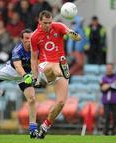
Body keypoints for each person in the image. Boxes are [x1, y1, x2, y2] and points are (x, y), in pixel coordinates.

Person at [30, 10, 81, 139]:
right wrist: (35, 76)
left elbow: (71, 33)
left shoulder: (57, 26)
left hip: (59, 67)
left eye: (49, 22)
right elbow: (34, 58)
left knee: (61, 102)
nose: (48, 25)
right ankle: (63, 69)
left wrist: (74, 35)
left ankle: (45, 126)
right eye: (45, 23)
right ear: (39, 22)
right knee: (54, 67)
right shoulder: (35, 36)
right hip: (45, 67)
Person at [100, 63, 116, 135]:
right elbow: (103, 88)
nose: (108, 70)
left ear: (113, 69)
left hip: (115, 101)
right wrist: (111, 84)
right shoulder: (104, 78)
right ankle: (105, 132)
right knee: (106, 117)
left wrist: (107, 85)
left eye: (110, 68)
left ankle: (115, 132)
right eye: (107, 68)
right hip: (106, 101)